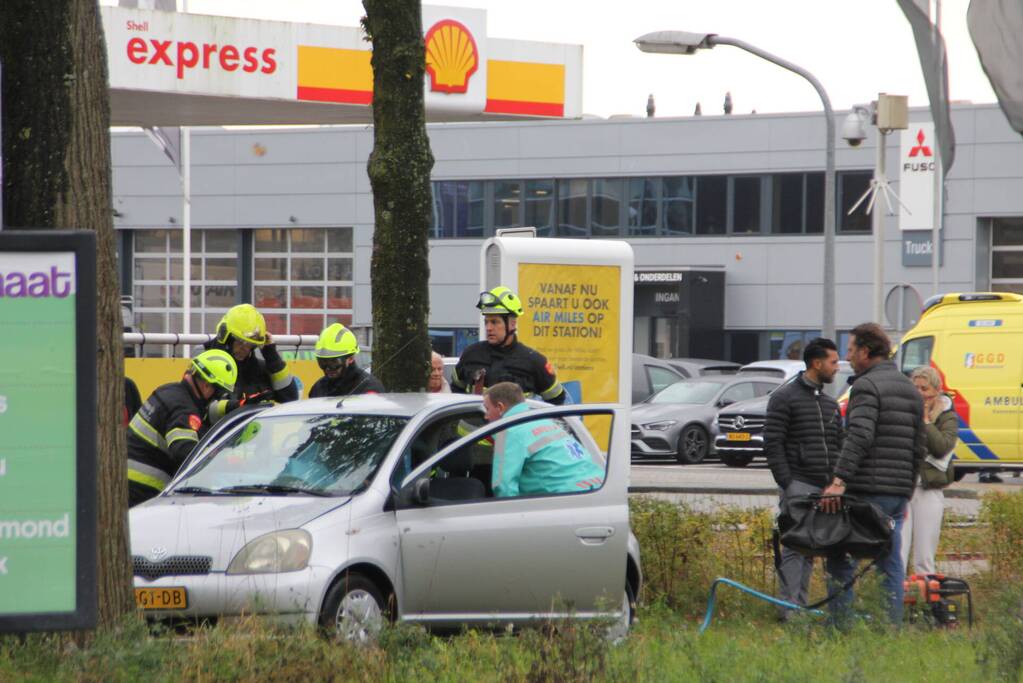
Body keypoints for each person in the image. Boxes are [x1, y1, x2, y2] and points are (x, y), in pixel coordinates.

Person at [820, 323, 926, 626]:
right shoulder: (910, 389)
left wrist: (838, 481)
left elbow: (859, 437)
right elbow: (919, 445)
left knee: (841, 556)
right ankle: (889, 629)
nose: (848, 358)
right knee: (890, 562)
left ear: (866, 352)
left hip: (866, 491)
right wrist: (906, 490)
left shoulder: (866, 386)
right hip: (897, 495)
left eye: (852, 350)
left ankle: (841, 628)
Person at [764, 337, 843, 619]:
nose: (837, 367)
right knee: (795, 549)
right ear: (816, 363)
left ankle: (801, 608)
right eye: (833, 362)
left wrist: (834, 481)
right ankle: (789, 611)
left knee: (810, 549)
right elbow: (772, 443)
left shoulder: (830, 404)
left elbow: (837, 445)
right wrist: (788, 482)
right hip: (798, 484)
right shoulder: (784, 397)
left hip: (824, 489)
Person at [127, 349, 237, 506]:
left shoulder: (169, 391)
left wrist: (231, 408)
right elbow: (185, 452)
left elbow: (198, 420)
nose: (216, 399)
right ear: (206, 386)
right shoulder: (184, 409)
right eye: (218, 393)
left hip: (126, 481)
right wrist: (218, 460)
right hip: (145, 490)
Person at [483, 382, 603, 497]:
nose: (486, 416)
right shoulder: (545, 421)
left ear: (500, 407)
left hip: (566, 497)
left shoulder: (509, 431)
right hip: (598, 485)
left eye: (487, 409)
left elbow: (504, 487)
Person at [452, 286, 565, 404]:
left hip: (515, 423)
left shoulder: (534, 361)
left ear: (512, 324)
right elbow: (455, 392)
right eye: (486, 322)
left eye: (495, 322)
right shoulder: (471, 354)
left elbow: (557, 401)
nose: (489, 328)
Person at [900, 366, 958, 575]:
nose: (920, 394)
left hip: (929, 487)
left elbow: (942, 447)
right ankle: (896, 598)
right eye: (915, 388)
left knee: (925, 555)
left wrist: (925, 422)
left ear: (936, 391)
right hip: (903, 487)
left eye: (924, 389)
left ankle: (925, 597)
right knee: (898, 549)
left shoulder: (947, 417)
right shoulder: (904, 413)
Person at [204, 303, 299, 423]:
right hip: (220, 439)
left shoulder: (259, 369)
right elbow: (202, 411)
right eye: (240, 342)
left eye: (250, 345)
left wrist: (272, 356)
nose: (245, 349)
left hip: (257, 440)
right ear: (226, 337)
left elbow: (290, 399)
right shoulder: (204, 367)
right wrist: (239, 406)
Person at [309, 322, 384, 397]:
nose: (328, 368)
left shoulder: (368, 387)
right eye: (323, 362)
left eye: (334, 362)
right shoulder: (318, 388)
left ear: (350, 358)